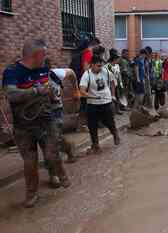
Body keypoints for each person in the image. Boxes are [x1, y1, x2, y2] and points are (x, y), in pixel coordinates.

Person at [2, 39, 71, 208]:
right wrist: (36, 90)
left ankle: (58, 173)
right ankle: (31, 194)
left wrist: (53, 94)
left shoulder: (44, 70)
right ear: (36, 54)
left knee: (51, 153)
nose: (45, 57)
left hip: (46, 121)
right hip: (23, 126)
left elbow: (52, 90)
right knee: (30, 161)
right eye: (44, 53)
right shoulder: (12, 72)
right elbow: (11, 95)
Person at [79, 55, 121, 155]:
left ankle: (115, 133)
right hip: (92, 104)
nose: (100, 68)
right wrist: (92, 97)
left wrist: (113, 95)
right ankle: (95, 145)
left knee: (109, 121)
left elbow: (112, 82)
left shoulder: (105, 71)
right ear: (92, 65)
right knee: (92, 125)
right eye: (98, 66)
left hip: (106, 102)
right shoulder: (87, 74)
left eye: (101, 65)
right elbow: (82, 91)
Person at [106, 49, 124, 115]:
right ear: (114, 59)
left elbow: (119, 74)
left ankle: (118, 109)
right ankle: (111, 111)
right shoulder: (107, 66)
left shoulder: (117, 66)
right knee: (111, 97)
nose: (118, 60)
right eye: (117, 59)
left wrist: (121, 83)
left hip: (116, 84)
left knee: (117, 96)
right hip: (110, 84)